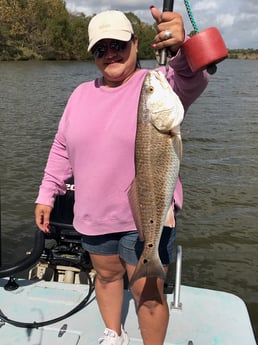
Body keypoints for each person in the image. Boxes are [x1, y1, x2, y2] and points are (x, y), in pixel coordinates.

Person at [35, 6, 209, 345]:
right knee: (106, 276)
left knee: (148, 290)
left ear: (135, 44)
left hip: (144, 215)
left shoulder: (155, 84)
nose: (110, 53)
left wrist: (179, 45)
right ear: (93, 56)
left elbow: (192, 78)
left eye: (118, 44)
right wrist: (47, 192)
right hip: (94, 213)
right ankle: (113, 333)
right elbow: (61, 145)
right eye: (101, 48)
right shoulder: (81, 94)